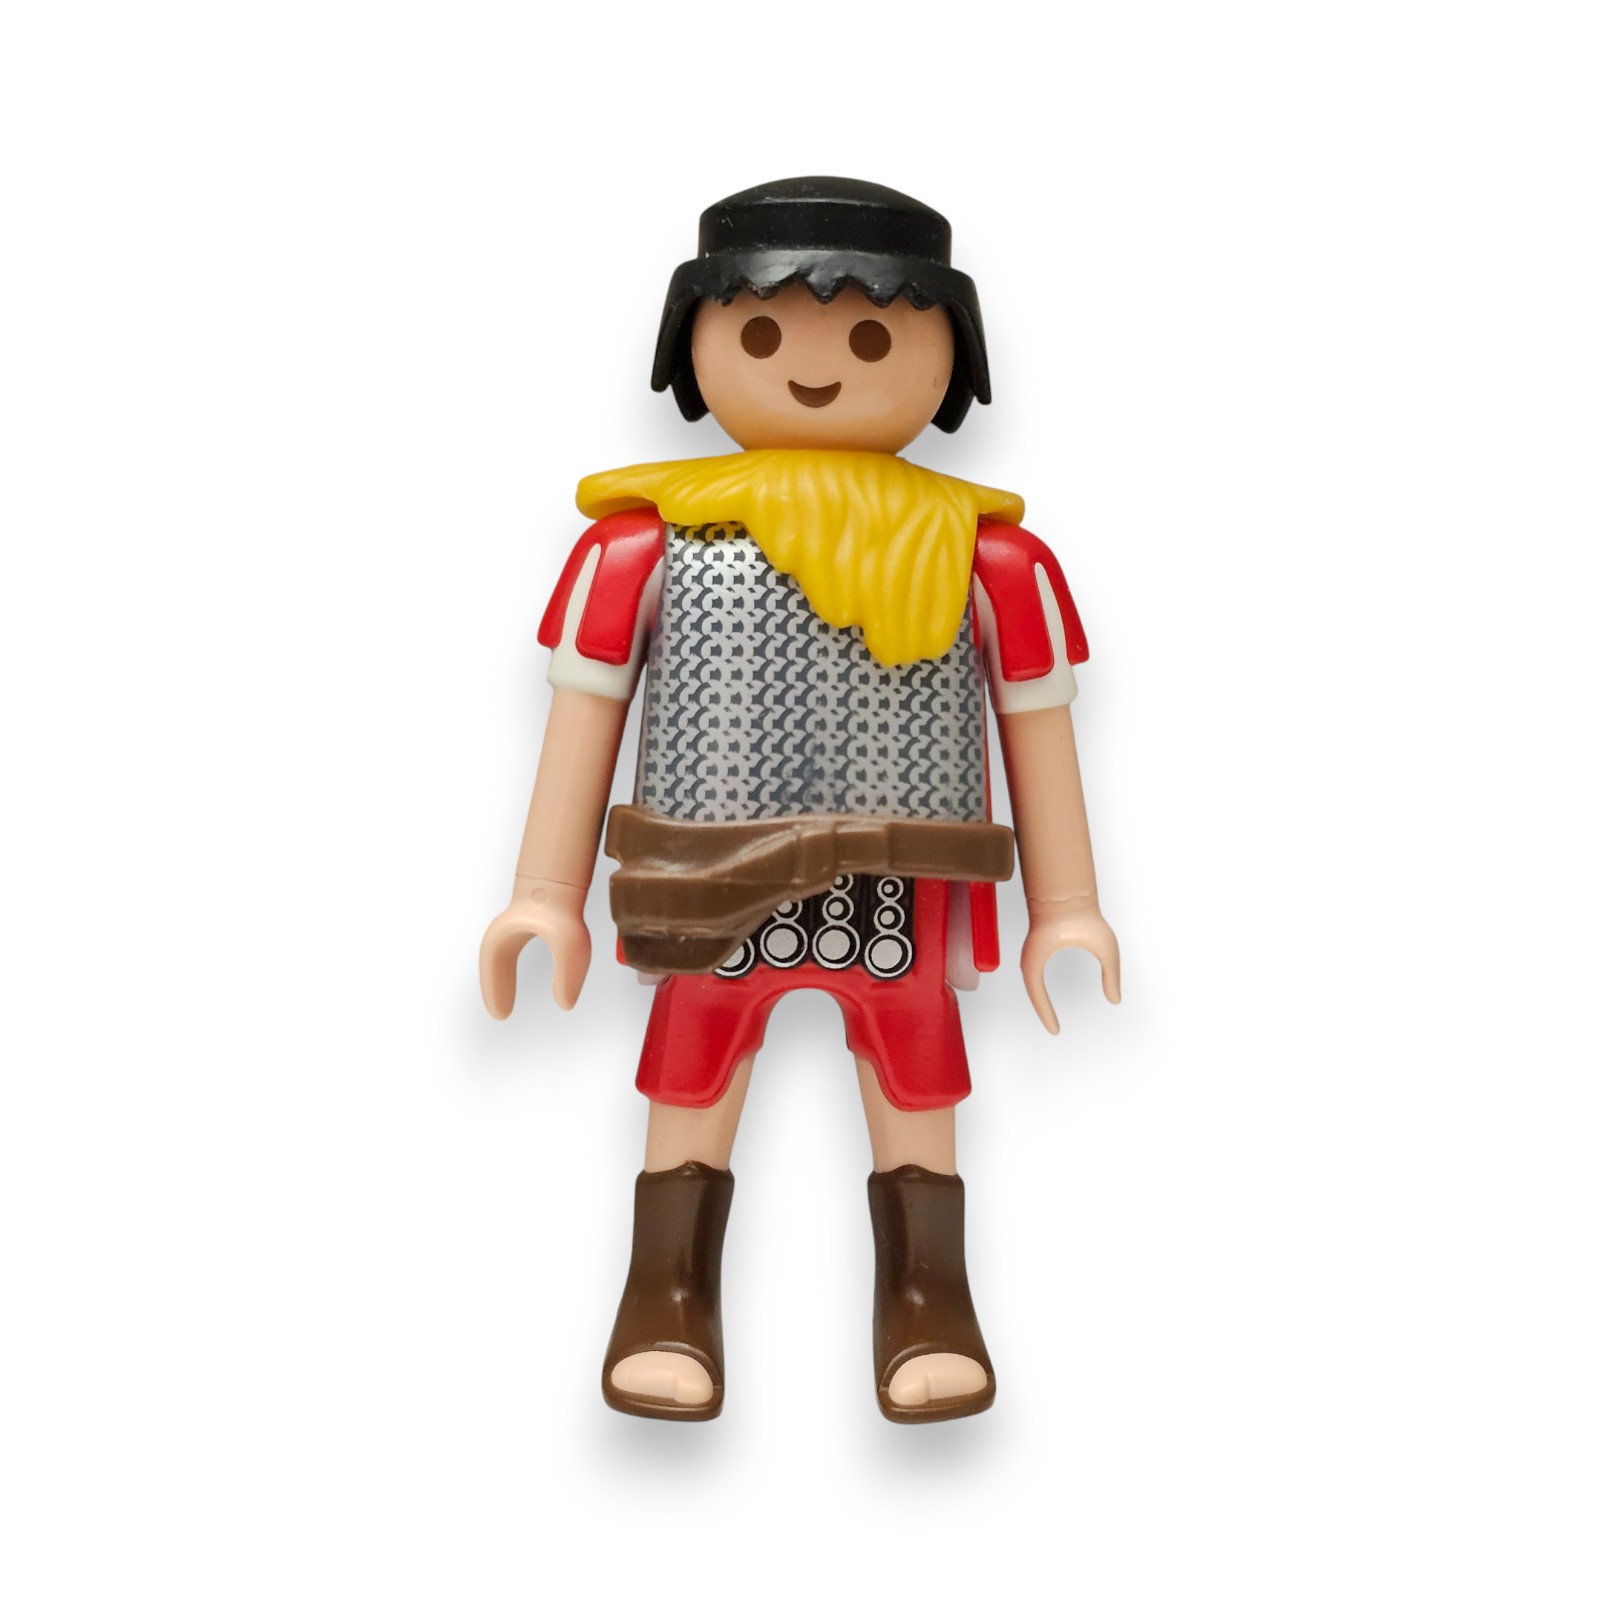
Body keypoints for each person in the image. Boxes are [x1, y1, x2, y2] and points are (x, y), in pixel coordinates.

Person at [480, 176, 1120, 1422]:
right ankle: (665, 1296)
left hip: (906, 880)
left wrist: (1068, 907)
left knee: (917, 1086)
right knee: (691, 1075)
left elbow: (1038, 729)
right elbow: (583, 715)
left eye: (873, 340)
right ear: (695, 345)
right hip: (705, 871)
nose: (817, 367)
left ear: (949, 360)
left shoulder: (990, 560)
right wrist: (541, 894)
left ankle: (928, 1299)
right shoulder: (643, 546)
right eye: (765, 332)